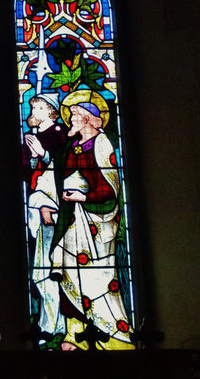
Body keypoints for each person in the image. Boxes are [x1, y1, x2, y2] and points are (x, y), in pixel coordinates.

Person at [49, 90, 133, 350]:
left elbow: (110, 190)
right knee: (67, 274)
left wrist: (83, 198)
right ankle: (74, 333)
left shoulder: (102, 144)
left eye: (75, 115)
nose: (71, 119)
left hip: (96, 224)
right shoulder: (71, 147)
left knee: (97, 279)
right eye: (71, 114)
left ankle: (109, 333)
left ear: (88, 118)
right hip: (73, 220)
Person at [22, 93, 67, 341]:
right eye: (32, 107)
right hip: (37, 210)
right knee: (40, 273)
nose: (33, 111)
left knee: (46, 272)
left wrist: (44, 154)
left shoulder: (60, 135)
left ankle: (51, 328)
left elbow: (64, 167)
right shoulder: (35, 137)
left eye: (38, 107)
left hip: (50, 210)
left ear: (51, 111)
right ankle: (53, 324)